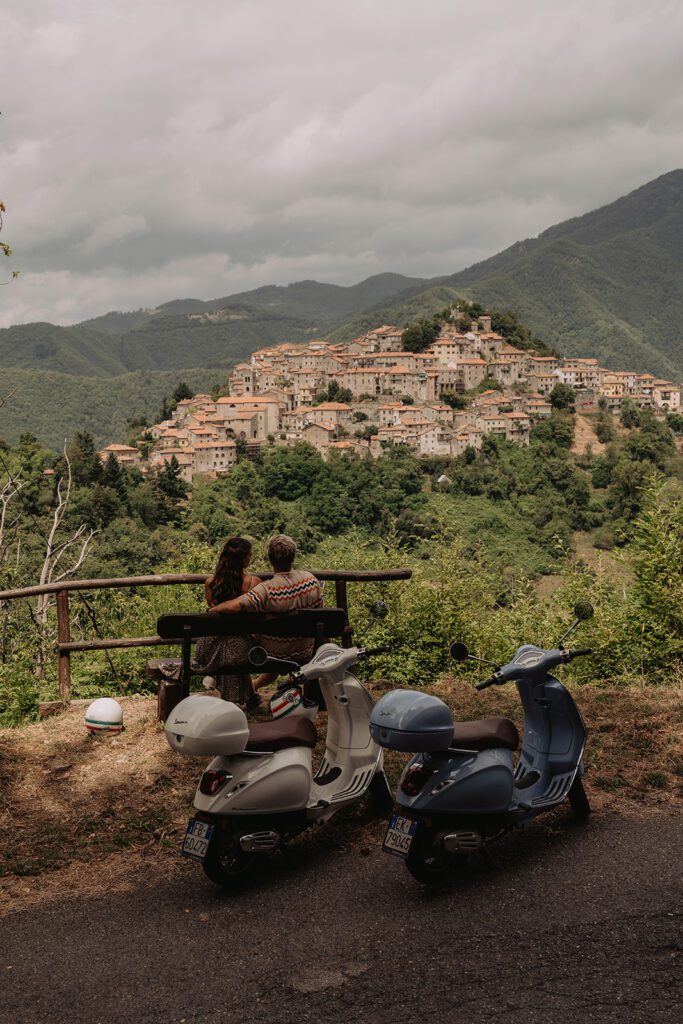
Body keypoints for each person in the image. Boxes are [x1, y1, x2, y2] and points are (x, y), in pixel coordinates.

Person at [211, 534, 323, 696]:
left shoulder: (266, 590)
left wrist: (214, 609)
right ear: (293, 557)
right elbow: (320, 613)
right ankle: (257, 688)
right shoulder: (310, 580)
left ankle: (250, 690)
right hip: (305, 651)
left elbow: (237, 606)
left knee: (241, 641)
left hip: (272, 655)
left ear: (270, 559)